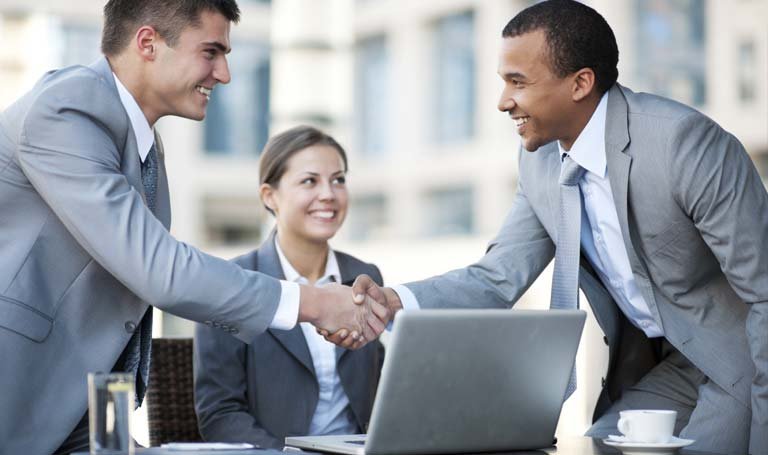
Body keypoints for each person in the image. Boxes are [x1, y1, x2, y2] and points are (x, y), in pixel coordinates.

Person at [336, 1, 768, 454]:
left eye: (517, 82)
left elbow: (764, 293)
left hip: (736, 361)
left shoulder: (683, 144)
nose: (503, 101)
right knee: (597, 448)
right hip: (667, 369)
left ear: (580, 83)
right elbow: (497, 277)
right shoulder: (539, 162)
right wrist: (394, 300)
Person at [0, 1, 386, 453]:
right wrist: (316, 302)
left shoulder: (142, 144)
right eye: (211, 52)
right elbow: (159, 269)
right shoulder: (66, 110)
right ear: (148, 43)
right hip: (18, 407)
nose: (224, 74)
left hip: (84, 417)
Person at [194, 126, 385, 449]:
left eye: (338, 180)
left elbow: (380, 392)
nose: (329, 193)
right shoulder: (231, 283)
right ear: (270, 196)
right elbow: (220, 413)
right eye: (310, 181)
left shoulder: (365, 276)